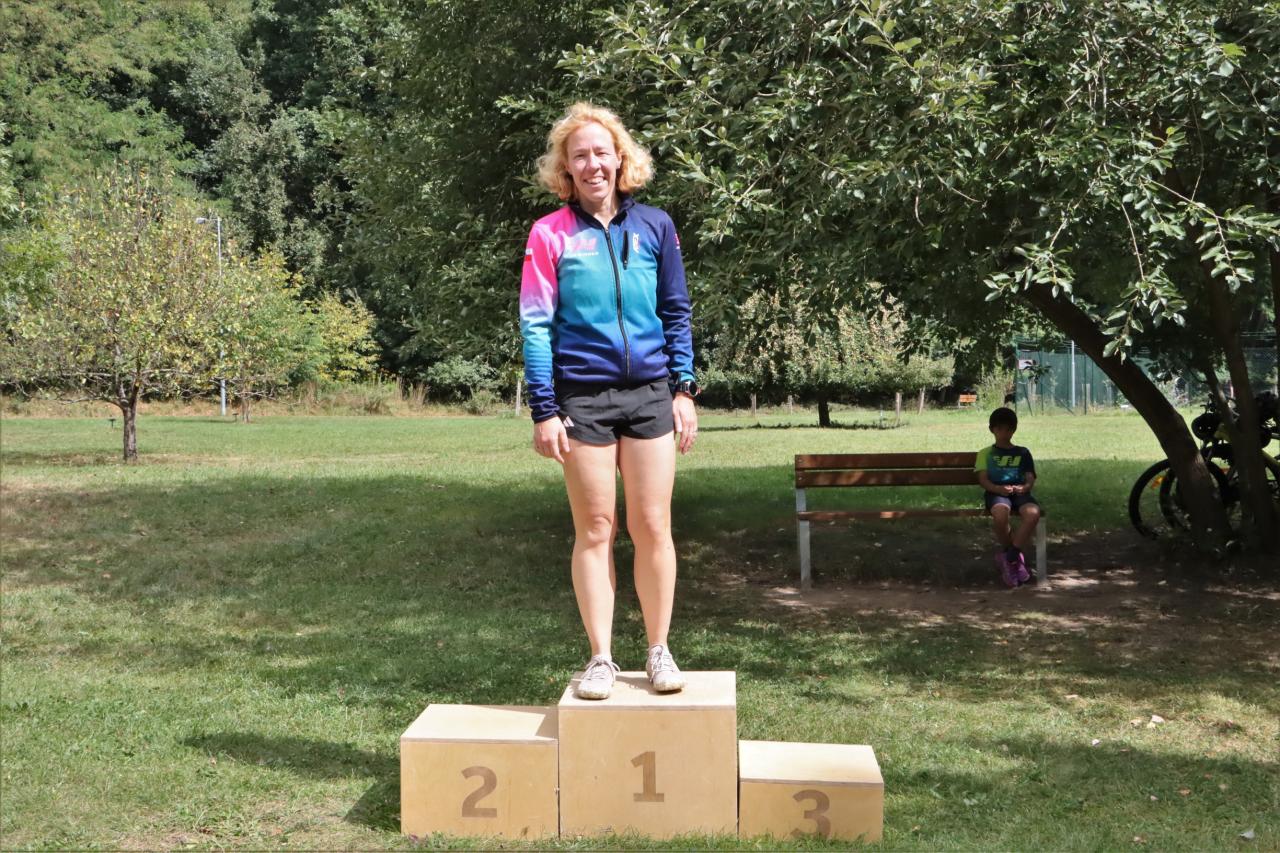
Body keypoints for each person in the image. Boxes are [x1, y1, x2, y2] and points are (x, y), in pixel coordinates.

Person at [520, 102, 698, 700]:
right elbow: (536, 326)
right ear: (565, 168)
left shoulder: (656, 226)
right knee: (596, 528)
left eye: (602, 152)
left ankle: (659, 650)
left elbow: (676, 310)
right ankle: (601, 657)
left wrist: (684, 388)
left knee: (653, 526)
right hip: (583, 400)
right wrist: (545, 409)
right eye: (580, 156)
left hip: (650, 394)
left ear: (620, 159)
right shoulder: (549, 234)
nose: (592, 164)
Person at [976, 407, 1041, 587]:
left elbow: (1030, 476)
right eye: (1000, 429)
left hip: (1020, 493)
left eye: (1008, 429)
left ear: (1014, 430)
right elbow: (983, 479)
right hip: (996, 492)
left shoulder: (1023, 452)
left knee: (1033, 513)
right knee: (1000, 514)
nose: (1004, 433)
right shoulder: (985, 453)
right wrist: (997, 488)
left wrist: (1025, 487)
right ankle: (1013, 559)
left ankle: (1010, 557)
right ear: (992, 429)